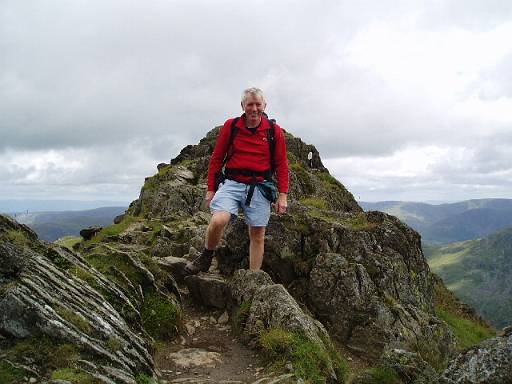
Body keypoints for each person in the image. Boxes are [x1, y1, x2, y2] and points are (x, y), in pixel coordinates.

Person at [184, 87, 289, 274]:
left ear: (265, 105)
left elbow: (281, 164)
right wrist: (211, 189)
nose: (254, 109)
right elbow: (216, 159)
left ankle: (252, 278)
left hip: (259, 186)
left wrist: (283, 196)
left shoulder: (274, 131)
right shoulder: (231, 126)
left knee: (257, 234)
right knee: (218, 220)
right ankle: (206, 257)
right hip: (232, 183)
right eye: (250, 104)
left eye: (258, 104)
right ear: (243, 106)